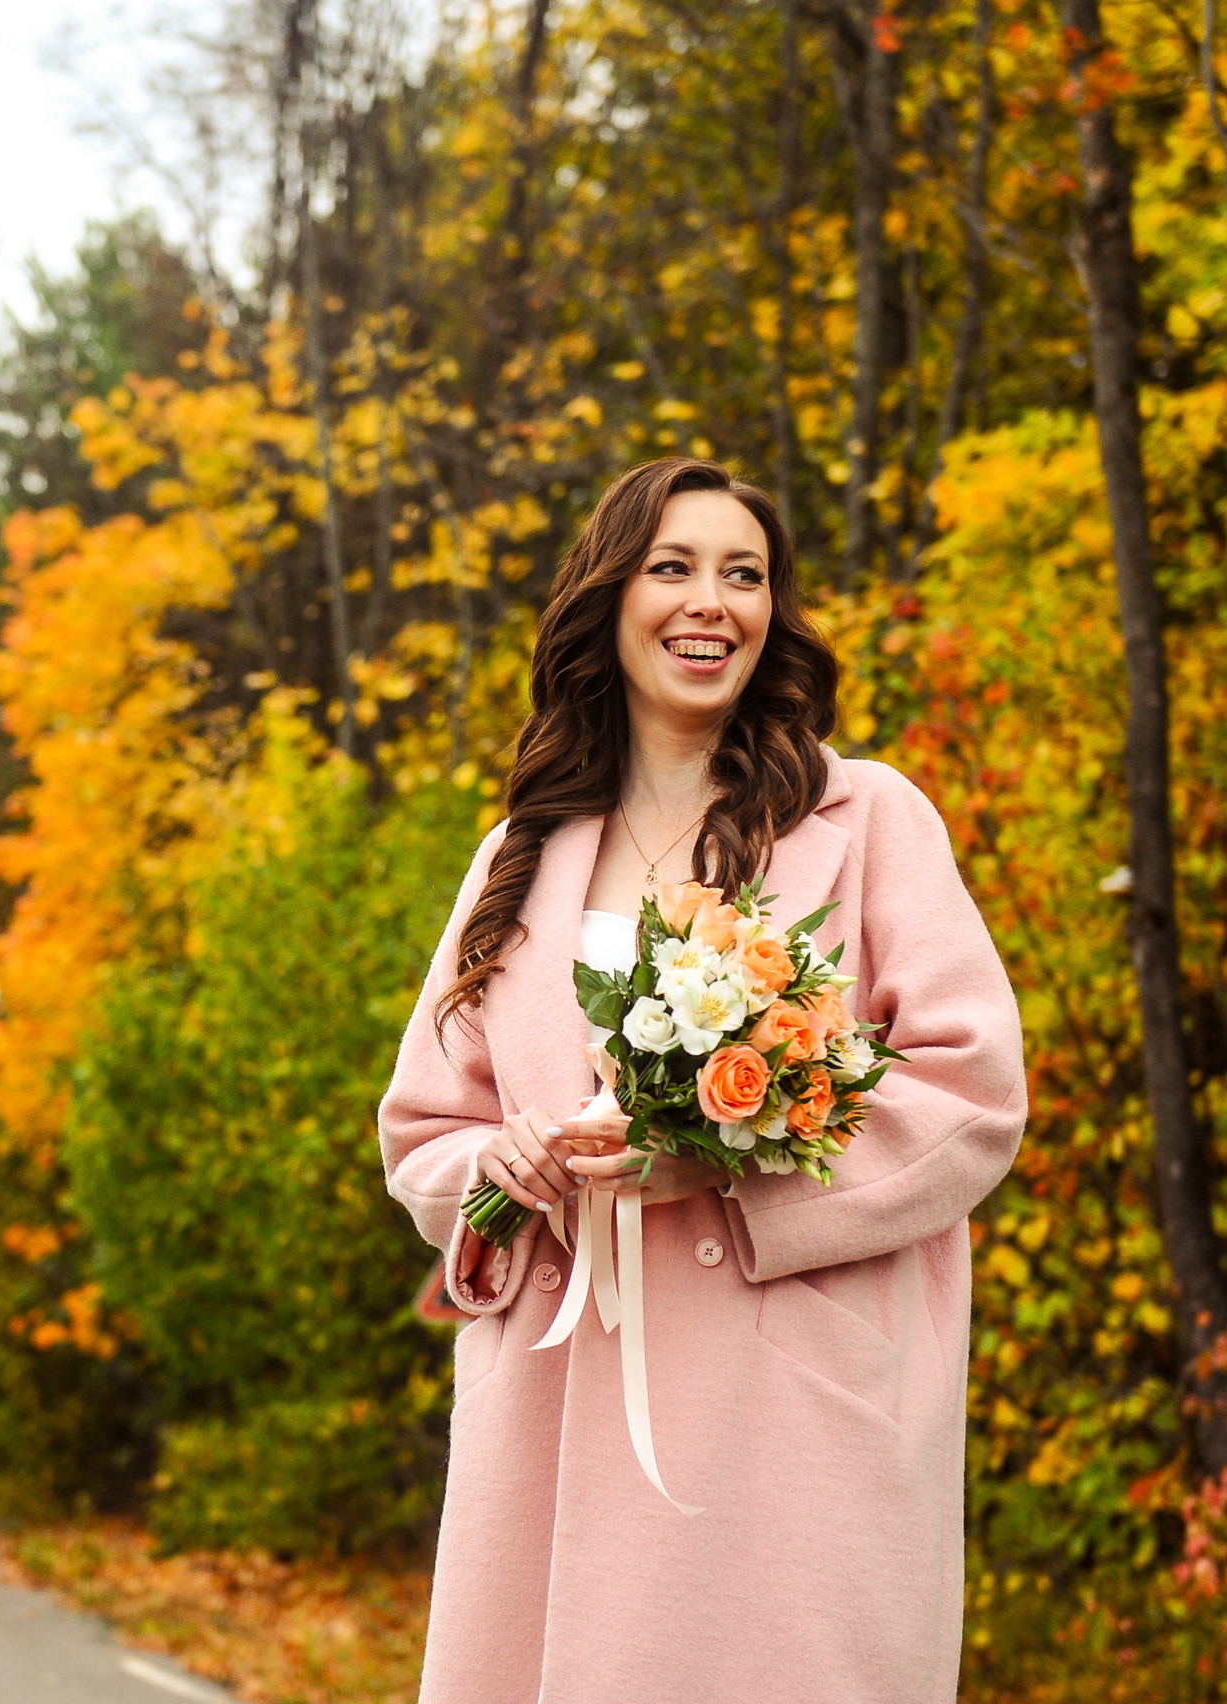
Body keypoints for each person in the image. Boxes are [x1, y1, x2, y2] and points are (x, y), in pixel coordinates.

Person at [379, 458, 1026, 1703]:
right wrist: (493, 1173)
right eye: (672, 567)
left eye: (745, 575)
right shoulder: (517, 855)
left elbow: (970, 1095)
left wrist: (731, 1165)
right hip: (558, 1408)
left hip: (786, 1408)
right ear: (609, 599)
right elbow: (426, 1128)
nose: (710, 601)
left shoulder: (869, 817)